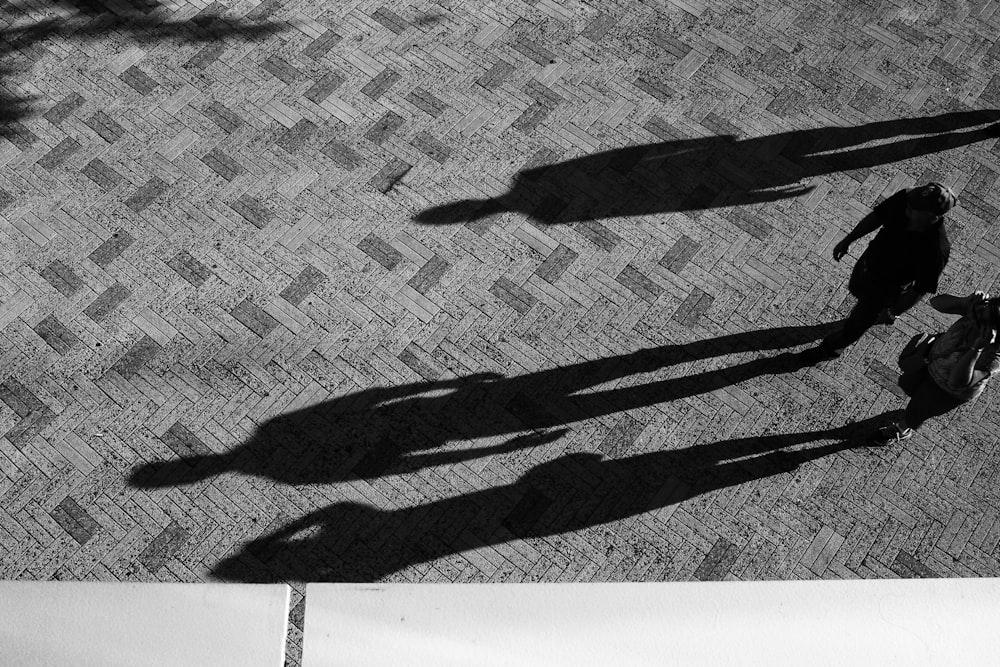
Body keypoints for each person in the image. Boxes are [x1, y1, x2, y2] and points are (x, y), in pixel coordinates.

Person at [799, 182, 955, 363]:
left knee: (856, 325)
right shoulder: (907, 199)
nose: (908, 209)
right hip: (867, 266)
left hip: (886, 291)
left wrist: (893, 312)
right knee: (856, 290)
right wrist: (849, 239)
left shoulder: (937, 250)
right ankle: (856, 320)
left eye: (914, 209)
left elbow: (919, 289)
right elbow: (877, 217)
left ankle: (830, 350)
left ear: (932, 216)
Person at [874, 291, 1000, 444]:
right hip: (931, 363)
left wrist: (976, 349)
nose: (977, 317)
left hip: (944, 391)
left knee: (917, 412)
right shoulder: (980, 312)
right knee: (910, 386)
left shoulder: (994, 357)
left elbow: (957, 381)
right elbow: (936, 302)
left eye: (983, 320)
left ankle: (902, 429)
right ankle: (913, 409)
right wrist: (964, 302)